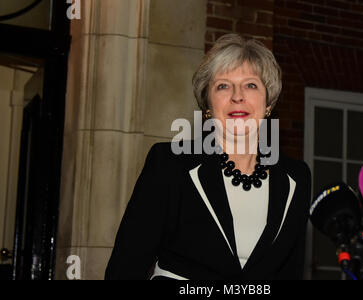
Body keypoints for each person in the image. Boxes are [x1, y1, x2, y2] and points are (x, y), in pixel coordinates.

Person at [105, 34, 311, 280]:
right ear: (208, 106)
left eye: (251, 85)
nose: (237, 96)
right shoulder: (170, 164)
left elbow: (290, 273)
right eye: (223, 85)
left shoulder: (295, 176)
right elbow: (126, 266)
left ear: (268, 103)